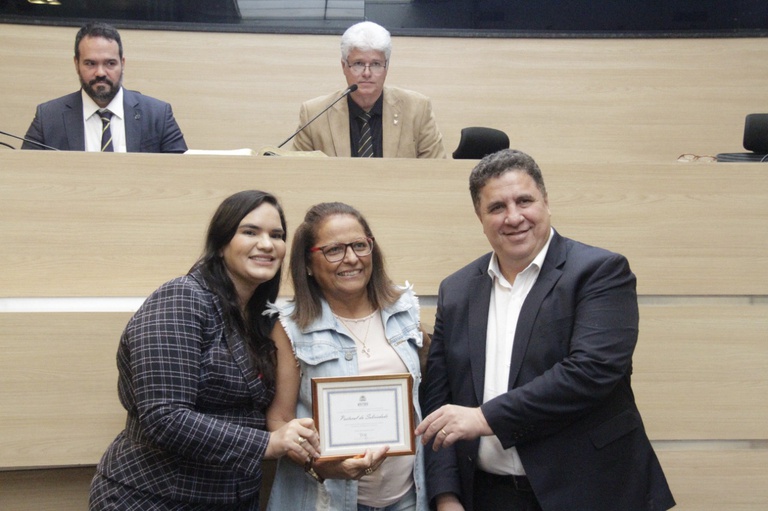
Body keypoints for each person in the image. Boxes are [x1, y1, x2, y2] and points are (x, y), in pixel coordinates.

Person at [415, 149, 675, 511]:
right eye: (497, 207)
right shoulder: (456, 290)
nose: (513, 217)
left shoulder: (600, 272)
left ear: (546, 202)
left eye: (524, 201)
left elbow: (591, 372)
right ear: (480, 217)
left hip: (590, 491)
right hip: (490, 497)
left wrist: (483, 417)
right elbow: (439, 401)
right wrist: (446, 496)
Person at [89, 190, 319, 510]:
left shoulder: (259, 318)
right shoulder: (181, 298)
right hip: (154, 497)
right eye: (250, 232)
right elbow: (164, 416)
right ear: (221, 243)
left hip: (233, 497)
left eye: (277, 235)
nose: (267, 244)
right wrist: (267, 443)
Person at [267, 202, 429, 511]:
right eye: (334, 250)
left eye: (359, 245)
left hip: (407, 497)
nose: (352, 258)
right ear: (308, 263)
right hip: (327, 499)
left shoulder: (404, 309)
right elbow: (280, 420)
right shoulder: (290, 326)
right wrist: (319, 464)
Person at [22, 22, 187, 153]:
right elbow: (24, 175)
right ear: (76, 64)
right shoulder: (48, 117)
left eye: (110, 63)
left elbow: (184, 173)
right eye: (90, 63)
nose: (100, 73)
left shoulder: (158, 115)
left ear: (122, 64)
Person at [291, 21, 446, 159]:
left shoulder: (417, 110)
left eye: (376, 64)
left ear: (386, 67)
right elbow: (296, 173)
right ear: (344, 66)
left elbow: (438, 172)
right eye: (358, 63)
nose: (367, 73)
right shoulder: (314, 114)